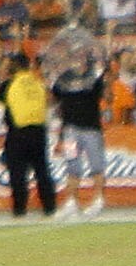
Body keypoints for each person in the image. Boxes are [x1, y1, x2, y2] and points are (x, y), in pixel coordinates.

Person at [47, 35, 109, 215]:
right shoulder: (65, 78)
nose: (78, 59)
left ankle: (98, 199)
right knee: (72, 165)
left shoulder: (94, 78)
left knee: (96, 165)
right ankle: (72, 201)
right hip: (71, 129)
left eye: (81, 56)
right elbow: (53, 99)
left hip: (91, 128)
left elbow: (104, 92)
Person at [0, 53, 58, 218]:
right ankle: (50, 207)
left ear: (14, 66)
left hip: (18, 132)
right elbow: (47, 108)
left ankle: (20, 209)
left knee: (17, 173)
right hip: (38, 131)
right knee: (42, 171)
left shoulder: (8, 85)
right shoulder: (38, 83)